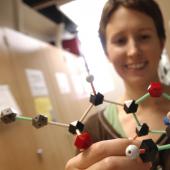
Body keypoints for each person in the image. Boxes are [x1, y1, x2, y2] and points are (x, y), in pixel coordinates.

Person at [65, 0, 170, 169]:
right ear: (107, 53)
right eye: (120, 41)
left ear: (161, 42)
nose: (133, 51)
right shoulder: (92, 129)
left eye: (144, 37)